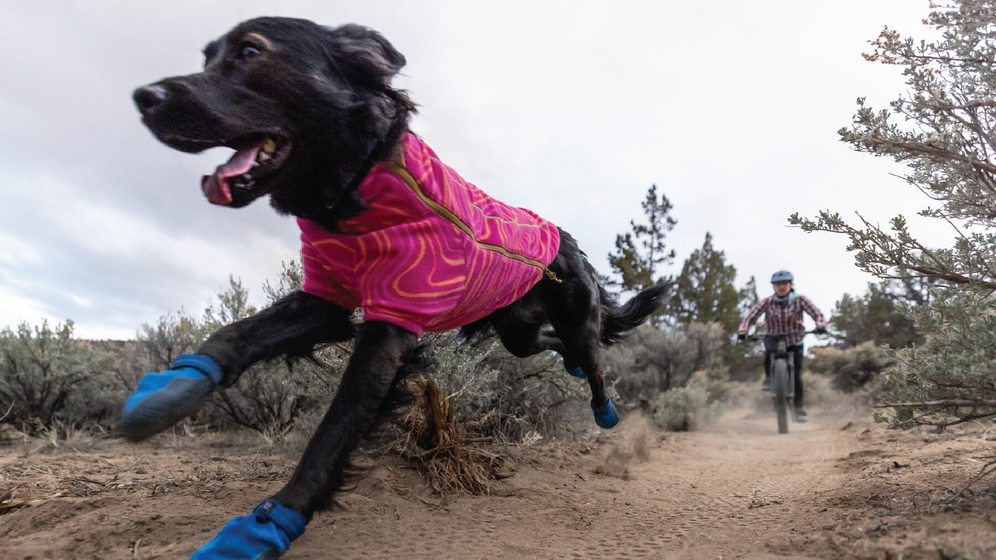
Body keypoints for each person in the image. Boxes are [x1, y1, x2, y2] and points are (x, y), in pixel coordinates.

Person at [737, 270, 827, 421]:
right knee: (769, 354)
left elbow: (816, 313)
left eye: (784, 284)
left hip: (795, 338)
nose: (781, 287)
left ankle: (798, 410)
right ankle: (770, 380)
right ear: (774, 287)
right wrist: (743, 330)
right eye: (778, 284)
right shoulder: (767, 302)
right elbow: (751, 316)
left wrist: (821, 324)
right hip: (772, 337)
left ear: (790, 285)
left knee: (797, 373)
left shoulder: (800, 300)